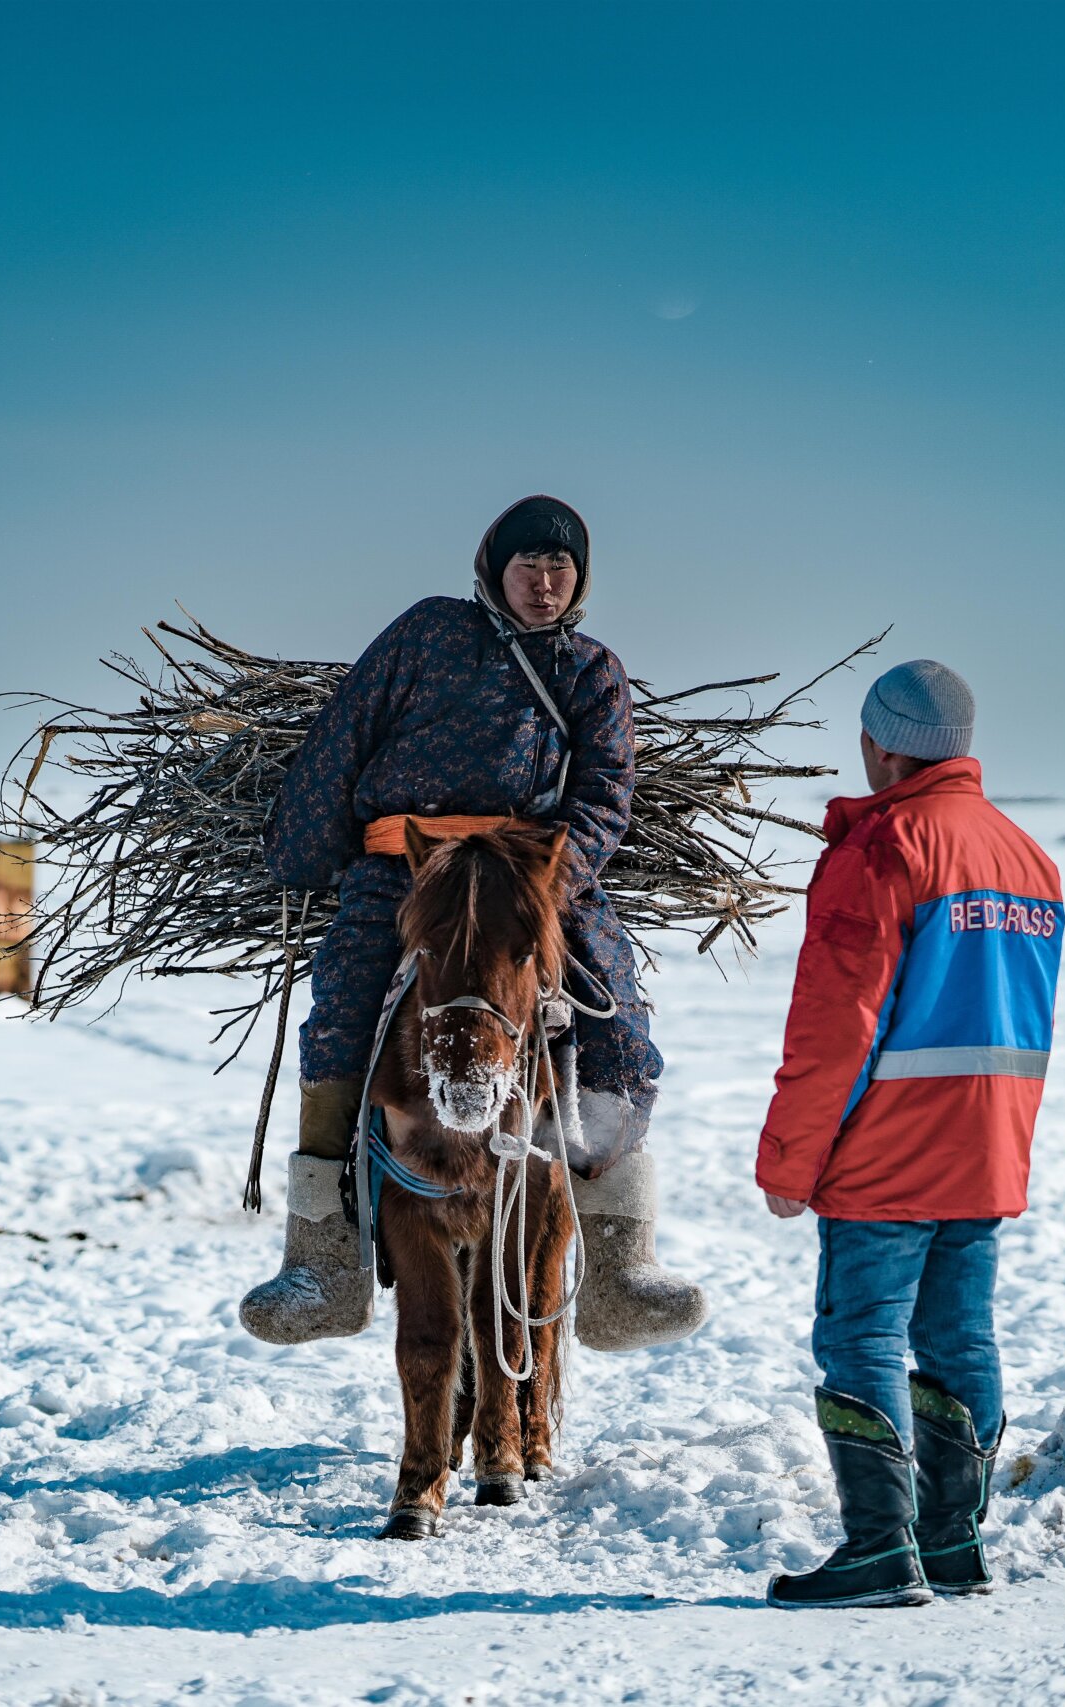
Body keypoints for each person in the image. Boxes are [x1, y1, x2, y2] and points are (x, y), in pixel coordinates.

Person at [240, 495, 708, 1354]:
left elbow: (606, 790)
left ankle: (616, 1264)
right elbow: (347, 732)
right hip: (406, 865)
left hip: (527, 874)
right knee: (343, 1005)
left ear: (581, 580)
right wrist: (304, 849)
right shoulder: (426, 634)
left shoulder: (591, 671)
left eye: (559, 568)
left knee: (616, 1016)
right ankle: (326, 1260)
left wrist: (550, 881)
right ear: (494, 571)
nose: (543, 582)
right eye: (527, 566)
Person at [755, 659, 1063, 1610]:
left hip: (887, 1147)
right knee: (960, 1336)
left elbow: (834, 1023)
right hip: (989, 1143)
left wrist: (789, 1161)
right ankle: (952, 1541)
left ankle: (879, 1550)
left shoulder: (887, 847)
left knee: (862, 1337)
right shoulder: (1027, 858)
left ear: (876, 744)